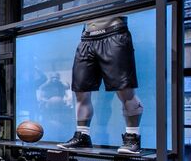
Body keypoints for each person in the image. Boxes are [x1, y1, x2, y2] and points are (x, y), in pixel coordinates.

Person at [58, 16, 143, 154]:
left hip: (114, 33)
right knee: (81, 91)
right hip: (86, 38)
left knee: (124, 90)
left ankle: (132, 137)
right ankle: (83, 136)